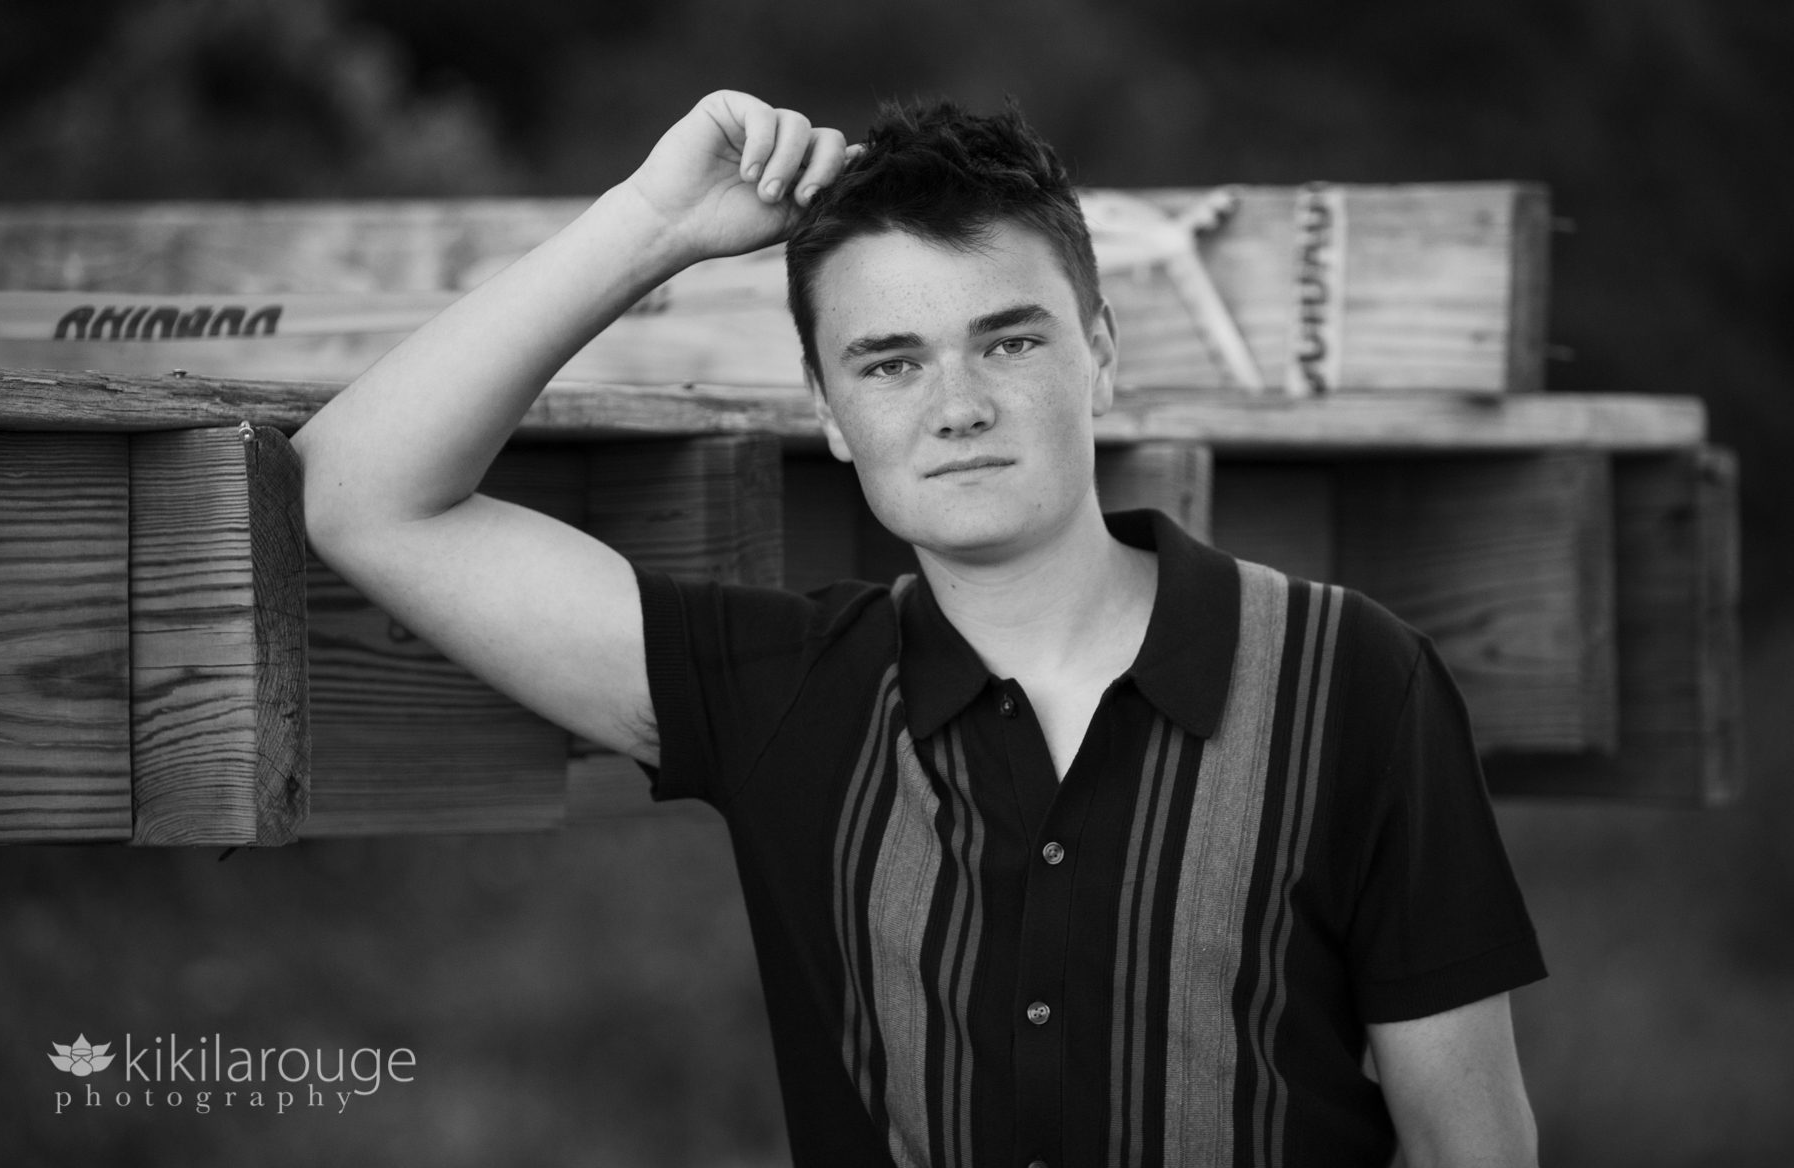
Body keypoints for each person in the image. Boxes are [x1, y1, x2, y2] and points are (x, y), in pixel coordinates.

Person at [292, 89, 1547, 1167]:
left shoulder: (1352, 679)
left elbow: (1467, 1144)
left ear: (1100, 354)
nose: (958, 406)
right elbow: (361, 492)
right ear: (830, 413)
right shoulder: (787, 694)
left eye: (1008, 340)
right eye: (890, 362)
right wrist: (654, 227)